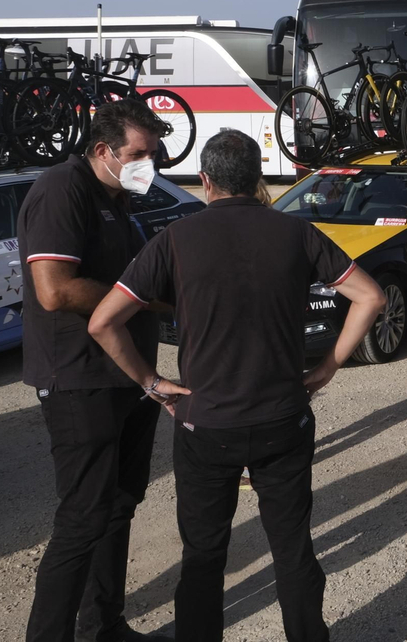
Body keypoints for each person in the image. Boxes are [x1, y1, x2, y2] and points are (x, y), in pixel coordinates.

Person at [88, 130, 385, 642]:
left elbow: (101, 323)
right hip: (282, 419)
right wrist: (329, 366)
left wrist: (152, 382)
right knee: (292, 550)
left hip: (206, 423)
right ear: (256, 180)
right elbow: (370, 297)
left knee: (203, 557)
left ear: (205, 181)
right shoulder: (297, 232)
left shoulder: (175, 240)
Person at [19, 97, 172, 642]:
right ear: (103, 150)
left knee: (119, 506)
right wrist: (143, 304)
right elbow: (55, 289)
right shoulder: (63, 189)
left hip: (125, 378)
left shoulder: (119, 199)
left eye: (154, 154)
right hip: (79, 379)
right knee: (84, 516)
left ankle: (103, 624)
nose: (149, 165)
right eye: (139, 153)